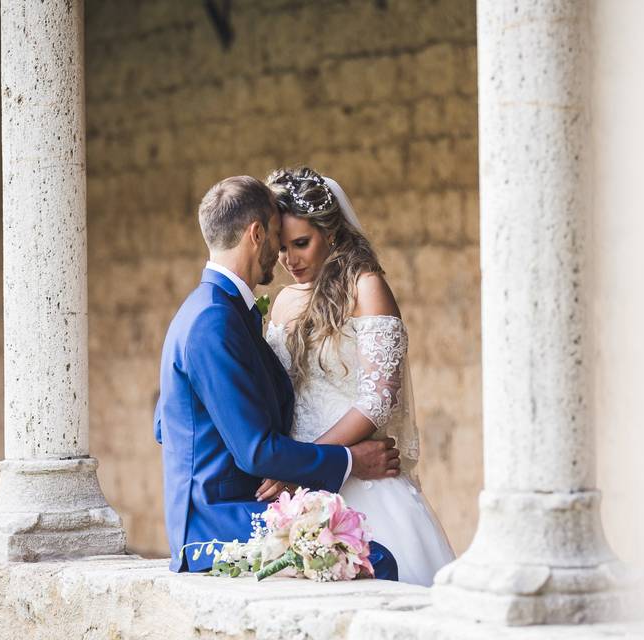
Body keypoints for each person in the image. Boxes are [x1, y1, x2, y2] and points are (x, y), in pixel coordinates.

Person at [153, 175, 400, 576]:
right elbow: (254, 452)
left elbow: (166, 423)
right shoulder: (214, 320)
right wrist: (349, 460)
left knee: (368, 553)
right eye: (276, 239)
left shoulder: (219, 309)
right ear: (256, 234)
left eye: (297, 243)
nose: (282, 256)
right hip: (215, 522)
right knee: (378, 562)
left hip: (240, 502)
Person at [259, 167, 456, 586]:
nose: (289, 260)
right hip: (298, 491)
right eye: (281, 248)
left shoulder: (367, 288)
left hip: (362, 483)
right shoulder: (281, 303)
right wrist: (293, 469)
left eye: (301, 244)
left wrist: (309, 463)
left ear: (331, 233)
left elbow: (377, 400)